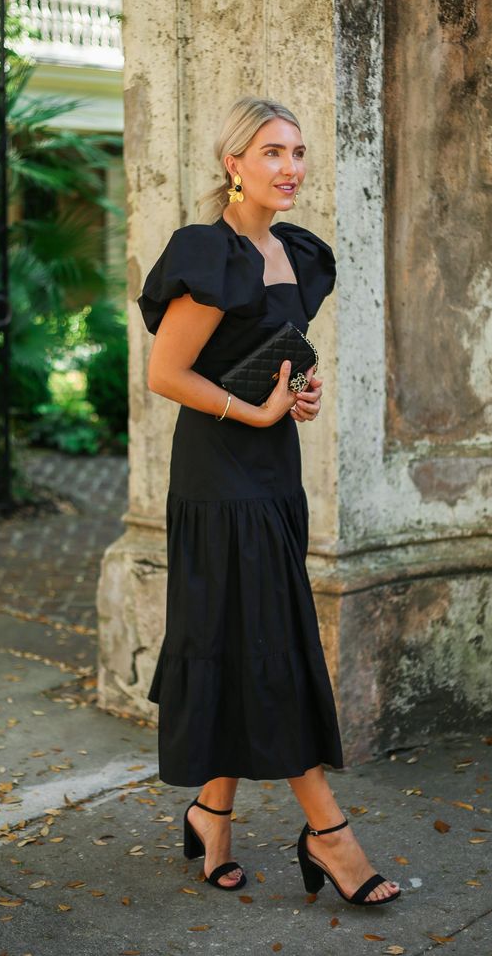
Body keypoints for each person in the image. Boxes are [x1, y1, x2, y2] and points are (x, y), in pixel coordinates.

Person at [137, 96, 401, 906]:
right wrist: (250, 409)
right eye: (273, 152)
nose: (290, 167)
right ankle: (329, 835)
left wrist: (297, 393)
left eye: (297, 152)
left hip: (273, 472)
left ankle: (211, 813)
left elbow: (261, 359)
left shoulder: (292, 251)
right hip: (219, 479)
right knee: (270, 647)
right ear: (234, 164)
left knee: (239, 637)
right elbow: (166, 374)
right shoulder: (209, 253)